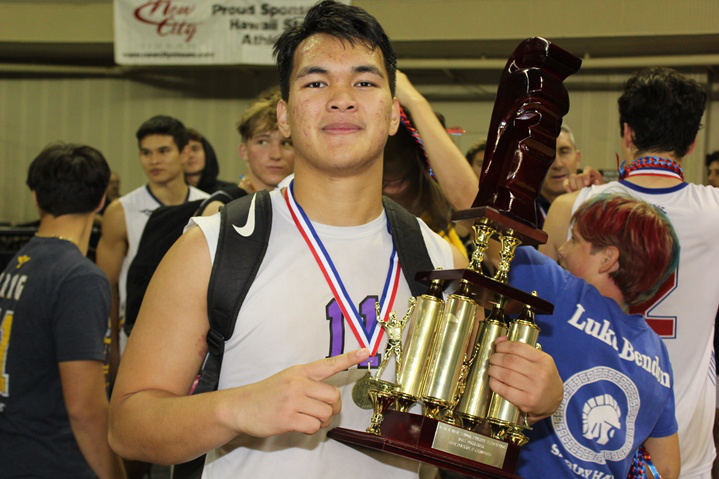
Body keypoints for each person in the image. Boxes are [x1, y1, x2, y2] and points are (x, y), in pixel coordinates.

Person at [108, 2, 562, 476]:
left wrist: (531, 399)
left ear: (393, 114)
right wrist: (234, 409)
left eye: (364, 82)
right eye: (316, 82)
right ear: (284, 117)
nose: (341, 98)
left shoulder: (438, 257)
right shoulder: (217, 245)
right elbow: (127, 426)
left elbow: (460, 434)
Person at [542, 67, 718, 479]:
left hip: (583, 423)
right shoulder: (715, 213)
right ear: (692, 143)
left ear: (627, 133)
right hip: (686, 433)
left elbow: (533, 308)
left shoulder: (572, 208)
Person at [508, 194, 680, 479]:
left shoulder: (560, 291)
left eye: (575, 240)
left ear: (607, 258)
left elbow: (480, 219)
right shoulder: (657, 353)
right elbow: (666, 469)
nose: (562, 250)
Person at [0, 143, 126, 477]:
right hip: (55, 459)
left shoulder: (20, 261)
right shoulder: (79, 277)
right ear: (101, 201)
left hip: (16, 448)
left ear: (35, 198)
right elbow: (85, 408)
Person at [97, 115, 209, 358]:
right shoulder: (121, 211)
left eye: (163, 151)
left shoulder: (209, 206)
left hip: (195, 335)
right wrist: (111, 346)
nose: (154, 160)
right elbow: (106, 286)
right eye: (146, 153)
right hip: (136, 334)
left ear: (185, 153)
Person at [200, 88, 295, 216]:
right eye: (263, 142)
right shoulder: (222, 208)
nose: (276, 155)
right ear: (243, 151)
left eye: (287, 143)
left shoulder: (305, 206)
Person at [536, 124, 582, 228]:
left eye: (564, 152)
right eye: (547, 154)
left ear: (578, 158)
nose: (558, 164)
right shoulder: (520, 214)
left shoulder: (594, 207)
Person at [184, 128, 234, 194]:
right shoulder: (172, 195)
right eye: (185, 152)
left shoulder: (229, 193)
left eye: (195, 149)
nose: (191, 155)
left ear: (207, 152)